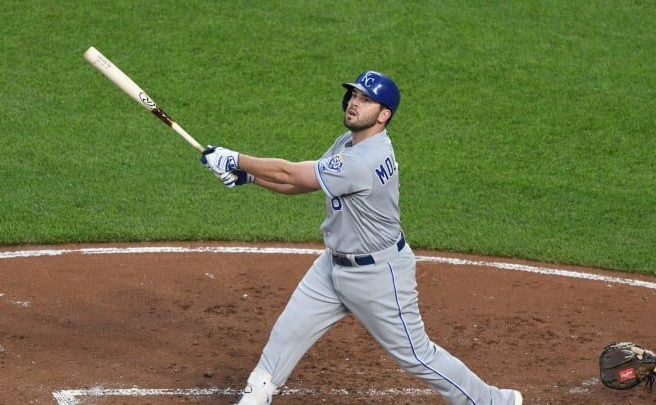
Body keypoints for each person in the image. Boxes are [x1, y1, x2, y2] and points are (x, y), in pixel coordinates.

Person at [201, 71, 522, 405]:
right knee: (284, 337)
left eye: (366, 99)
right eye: (354, 95)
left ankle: (492, 402)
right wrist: (250, 177)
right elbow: (302, 184)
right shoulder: (348, 145)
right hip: (332, 267)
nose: (354, 102)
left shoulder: (364, 160)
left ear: (384, 116)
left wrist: (234, 158)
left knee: (417, 354)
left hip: (378, 276)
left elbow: (290, 172)